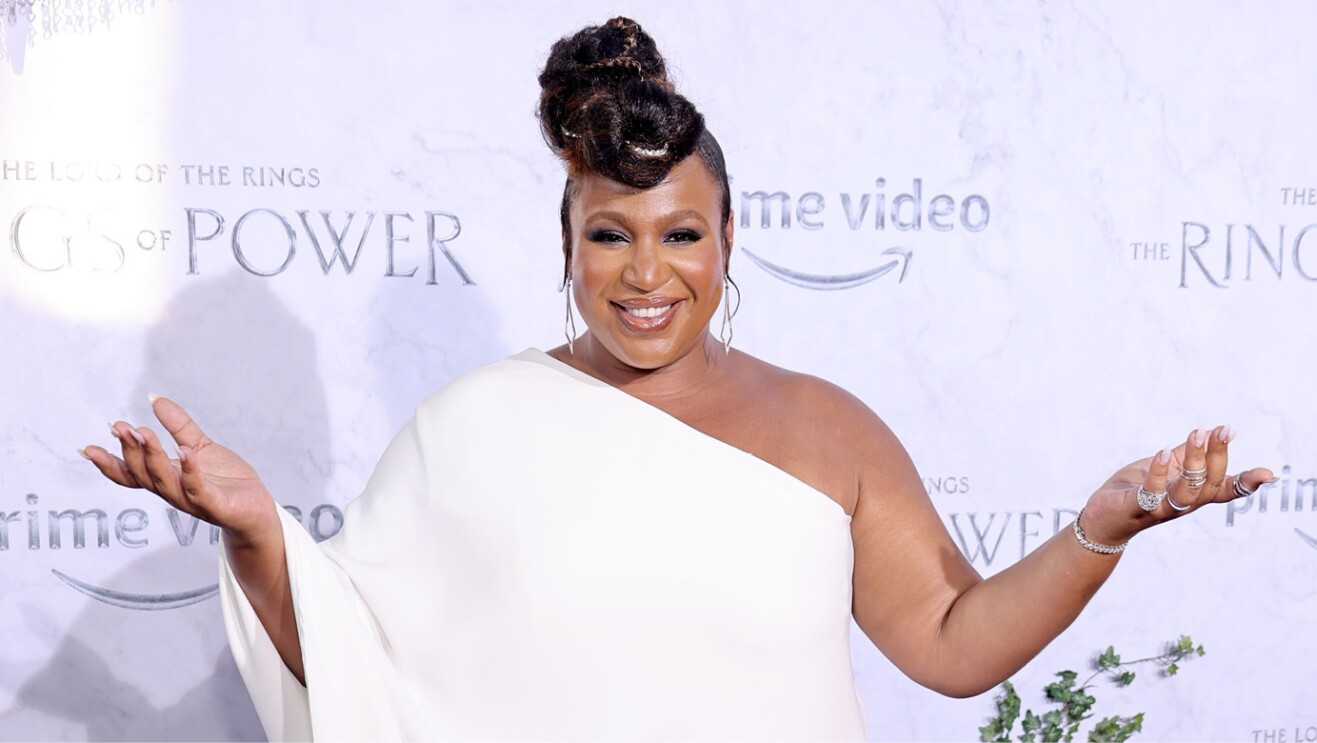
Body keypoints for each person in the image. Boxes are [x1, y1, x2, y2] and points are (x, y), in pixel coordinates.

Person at [79, 16, 1273, 742]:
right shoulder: (470, 428)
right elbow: (355, 671)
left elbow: (952, 645)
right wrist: (255, 535)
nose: (647, 273)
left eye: (680, 233)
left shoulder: (827, 426)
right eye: (611, 235)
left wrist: (1104, 525)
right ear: (567, 246)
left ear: (731, 239)